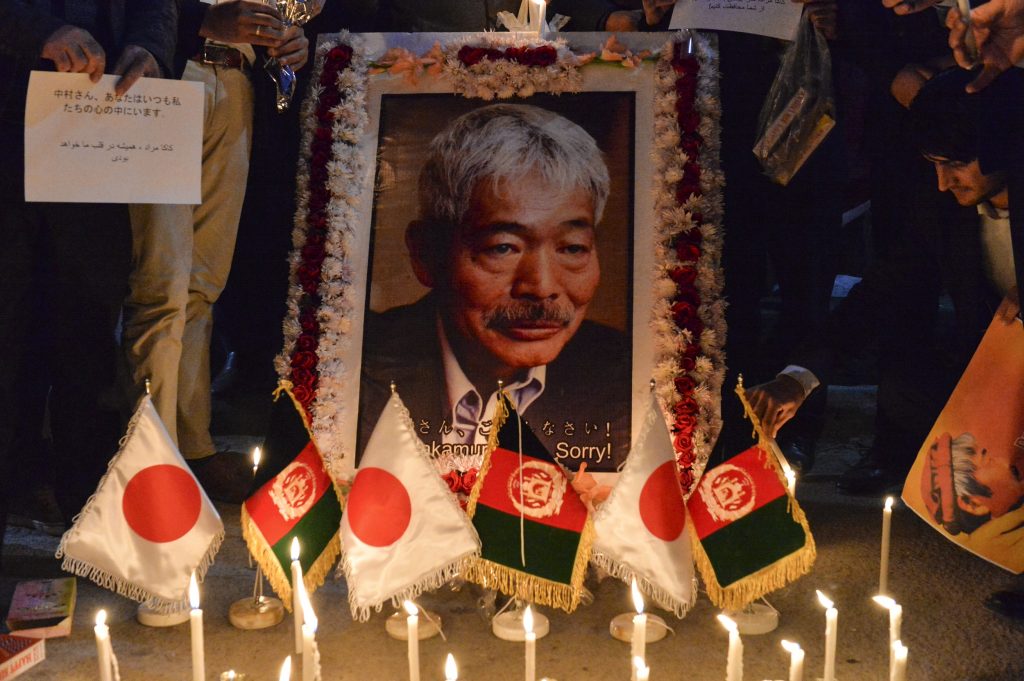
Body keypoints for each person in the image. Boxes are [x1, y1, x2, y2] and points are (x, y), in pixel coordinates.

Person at [748, 66, 1022, 495]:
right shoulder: (942, 208)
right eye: (934, 164)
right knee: (906, 389)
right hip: (1002, 379)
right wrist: (798, 379)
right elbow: (881, 293)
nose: (943, 182)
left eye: (956, 164)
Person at [358, 104, 631, 472]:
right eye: (503, 248)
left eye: (572, 247)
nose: (541, 287)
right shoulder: (354, 370)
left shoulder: (629, 380)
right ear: (425, 254)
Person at [0, 0, 176, 558]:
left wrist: (149, 48)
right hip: (6, 121)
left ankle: (87, 523)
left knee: (88, 334)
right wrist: (40, 31)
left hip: (94, 129)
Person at [122, 0, 309, 502]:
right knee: (161, 281)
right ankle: (150, 461)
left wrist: (289, 42)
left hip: (237, 81)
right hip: (167, 75)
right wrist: (200, 19)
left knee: (203, 283)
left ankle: (193, 447)